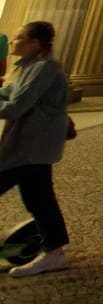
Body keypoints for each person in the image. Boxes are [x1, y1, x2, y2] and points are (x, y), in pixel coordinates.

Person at [0, 21, 72, 278]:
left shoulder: (43, 69)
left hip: (31, 145)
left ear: (34, 43)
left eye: (19, 38)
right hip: (30, 145)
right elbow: (8, 92)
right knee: (39, 199)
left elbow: (16, 105)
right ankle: (54, 251)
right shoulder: (31, 67)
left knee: (39, 199)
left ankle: (54, 252)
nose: (13, 41)